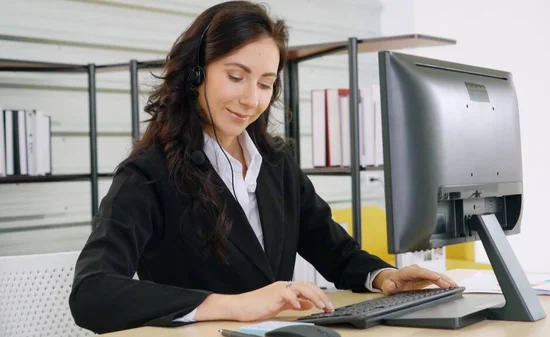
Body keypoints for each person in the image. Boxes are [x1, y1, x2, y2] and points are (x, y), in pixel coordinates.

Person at [68, 0, 456, 334]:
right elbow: (92, 293)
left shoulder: (274, 165)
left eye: (266, 83)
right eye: (236, 77)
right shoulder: (148, 173)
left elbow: (335, 251)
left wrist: (385, 277)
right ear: (195, 74)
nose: (251, 99)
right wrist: (232, 305)